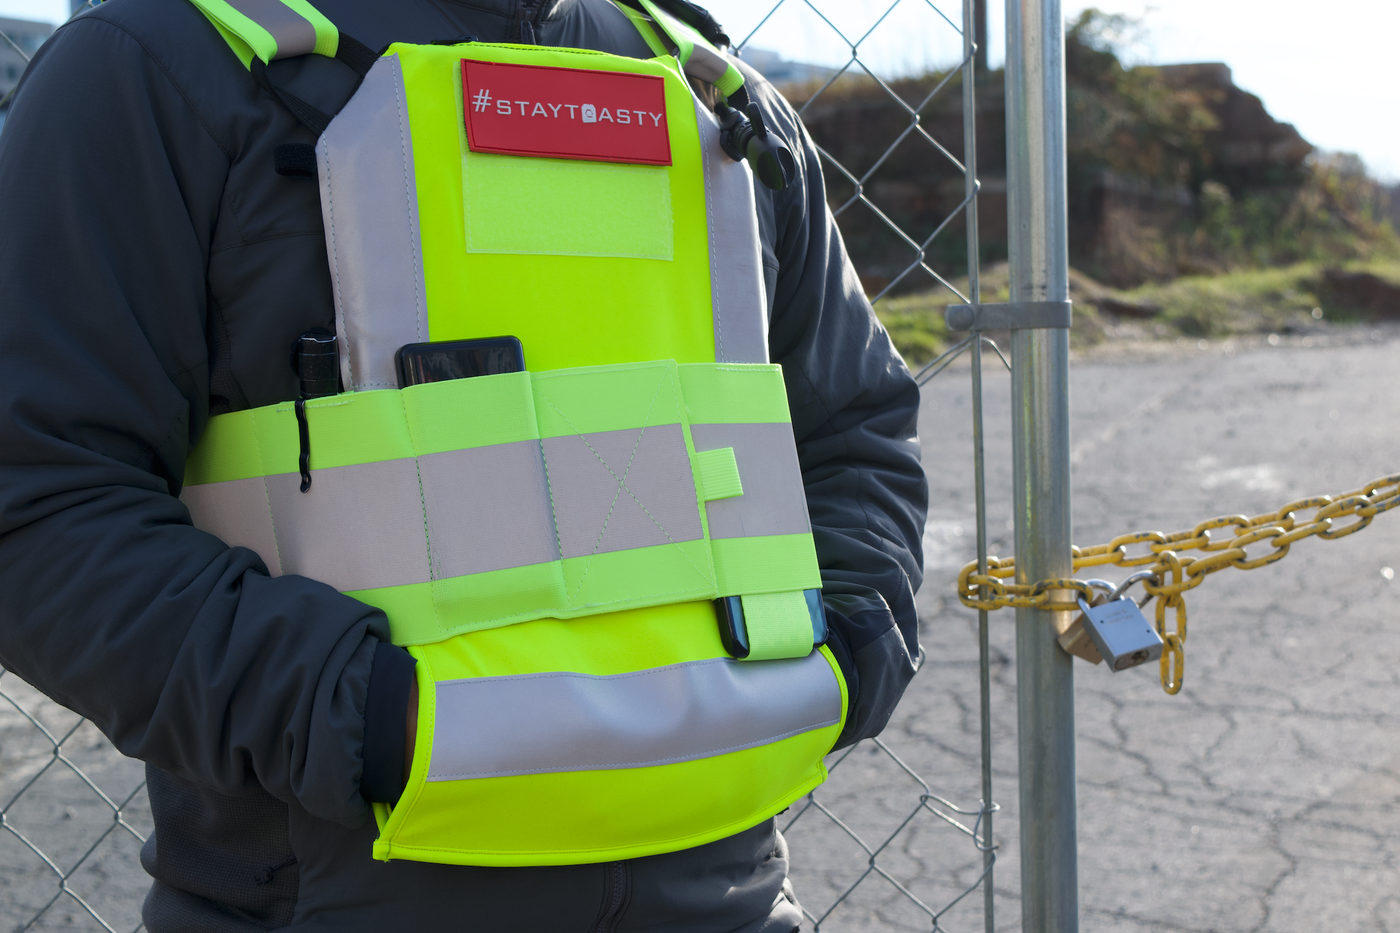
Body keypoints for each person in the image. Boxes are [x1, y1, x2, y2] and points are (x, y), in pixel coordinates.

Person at [0, 0, 928, 930]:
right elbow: (37, 495)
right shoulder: (160, 69)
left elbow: (855, 425)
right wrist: (363, 718)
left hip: (729, 899)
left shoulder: (714, 95)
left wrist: (850, 650)